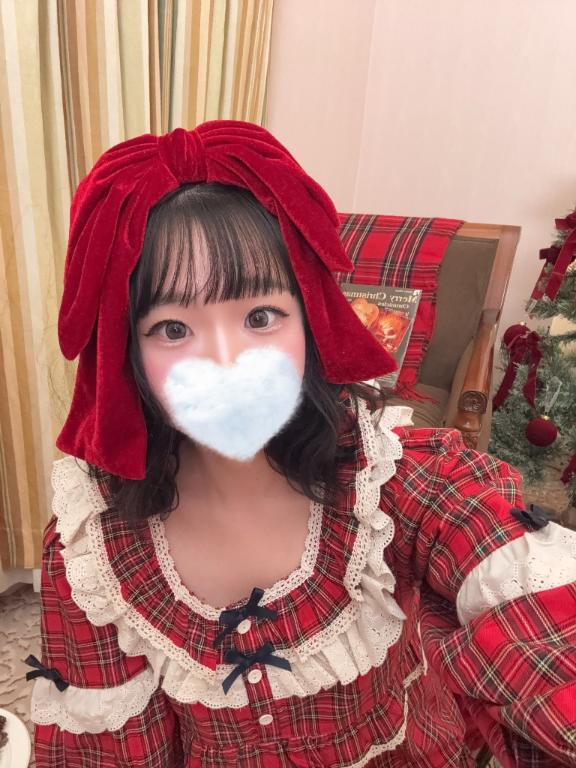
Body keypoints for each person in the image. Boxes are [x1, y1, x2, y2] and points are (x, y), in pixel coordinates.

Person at [26, 121, 576, 768]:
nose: (227, 363)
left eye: (260, 317)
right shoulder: (94, 548)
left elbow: (533, 606)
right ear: (125, 354)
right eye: (172, 328)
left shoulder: (396, 478)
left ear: (311, 321)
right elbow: (109, 752)